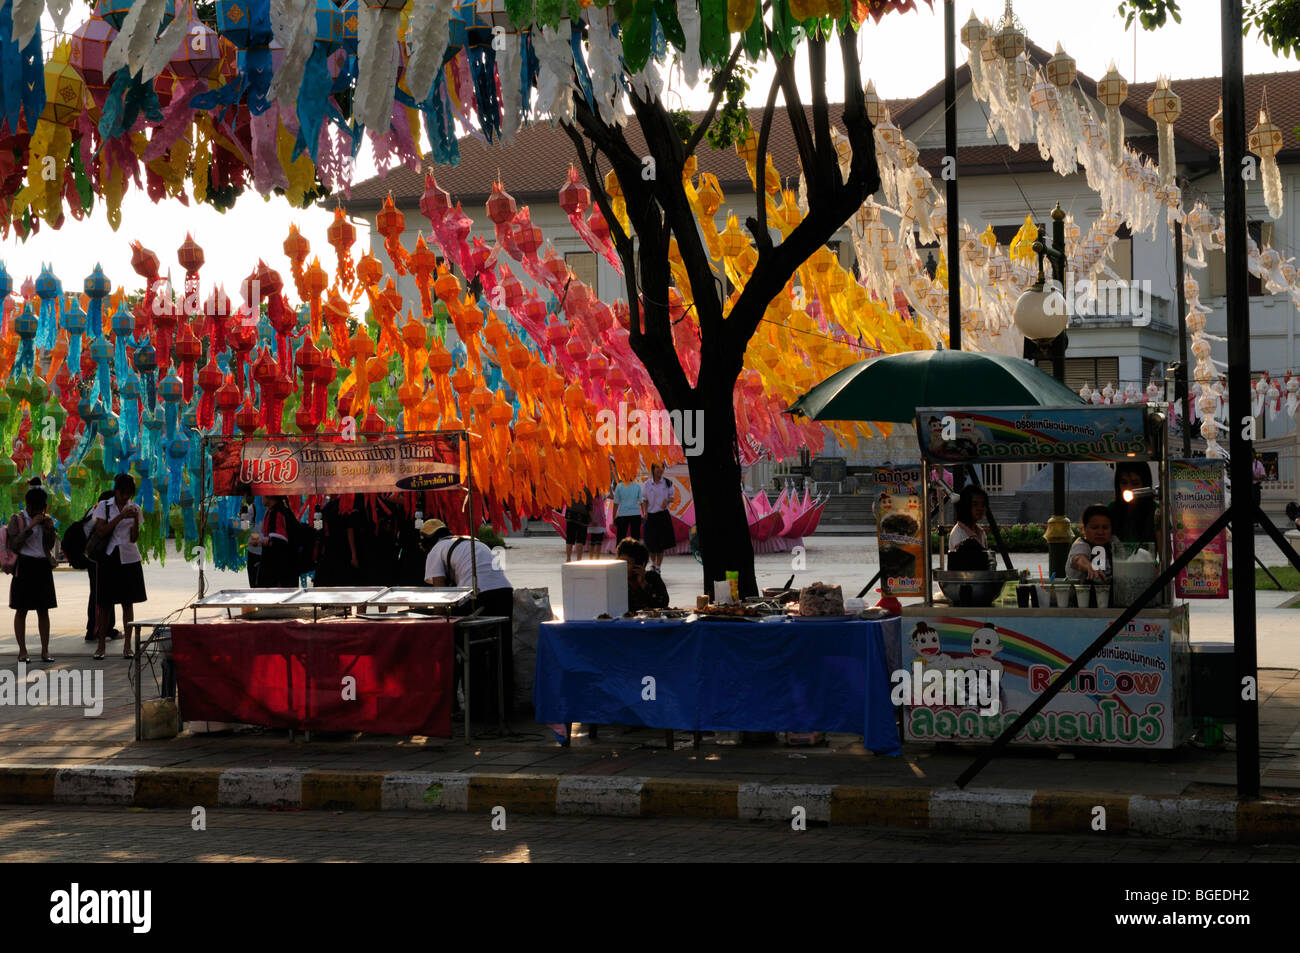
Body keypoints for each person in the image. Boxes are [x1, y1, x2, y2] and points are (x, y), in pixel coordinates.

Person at [424, 520, 516, 714]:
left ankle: (473, 710)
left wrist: (433, 626)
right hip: (504, 593)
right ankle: (503, 707)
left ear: (427, 541)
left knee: (465, 647)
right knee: (501, 649)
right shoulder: (472, 541)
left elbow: (441, 595)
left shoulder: (436, 550)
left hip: (481, 596)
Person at [91, 473, 147, 661]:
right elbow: (101, 531)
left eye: (129, 494)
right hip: (110, 556)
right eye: (123, 493)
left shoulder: (135, 508)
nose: (125, 498)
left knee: (127, 603)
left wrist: (134, 522)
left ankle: (127, 646)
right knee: (105, 604)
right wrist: (120, 517)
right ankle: (101, 646)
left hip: (130, 557)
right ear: (116, 491)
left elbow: (133, 538)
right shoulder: (104, 507)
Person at [8, 486, 57, 663]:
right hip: (25, 566)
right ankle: (22, 651)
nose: (39, 511)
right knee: (21, 609)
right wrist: (31, 525)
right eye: (35, 507)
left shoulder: (46, 520)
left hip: (42, 565)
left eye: (41, 508)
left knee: (43, 610)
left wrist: (50, 529)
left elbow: (50, 546)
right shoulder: (18, 519)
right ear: (28, 505)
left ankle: (45, 650)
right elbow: (14, 544)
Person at [84, 490, 118, 642]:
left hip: (94, 558)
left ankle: (103, 628)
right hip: (99, 559)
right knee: (100, 595)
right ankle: (96, 630)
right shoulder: (98, 514)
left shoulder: (91, 511)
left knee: (100, 593)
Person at [314, 495, 363, 587]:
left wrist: (317, 518)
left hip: (328, 550)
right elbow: (349, 530)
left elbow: (317, 529)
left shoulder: (329, 505)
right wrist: (354, 555)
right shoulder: (347, 506)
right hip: (342, 550)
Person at [1108, 462, 1157, 544]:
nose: (1129, 488)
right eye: (1124, 483)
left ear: (1145, 484)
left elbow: (1165, 551)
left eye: (1135, 483)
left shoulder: (1156, 510)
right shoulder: (1112, 509)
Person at [257, 495, 300, 588]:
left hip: (279, 572)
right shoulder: (276, 511)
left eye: (263, 495)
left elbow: (277, 544)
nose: (261, 497)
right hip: (286, 569)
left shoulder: (277, 513)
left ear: (269, 496)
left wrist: (259, 543)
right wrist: (261, 542)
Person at [617, 537, 669, 611]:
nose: (622, 567)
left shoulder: (652, 578)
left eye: (627, 563)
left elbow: (663, 604)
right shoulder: (615, 582)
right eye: (620, 562)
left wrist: (644, 584)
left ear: (641, 564)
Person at [1067, 504, 1115, 583]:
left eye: (1105, 528)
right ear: (1085, 529)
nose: (1100, 532)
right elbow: (1078, 559)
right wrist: (1090, 566)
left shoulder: (1113, 544)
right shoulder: (1080, 544)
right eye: (1095, 528)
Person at [641, 463, 674, 572]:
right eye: (657, 467)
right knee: (650, 542)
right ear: (653, 469)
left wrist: (667, 501)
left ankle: (658, 567)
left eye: (662, 467)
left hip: (662, 516)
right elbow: (644, 499)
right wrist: (644, 512)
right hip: (650, 516)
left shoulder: (667, 483)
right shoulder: (647, 484)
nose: (660, 469)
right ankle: (653, 563)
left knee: (661, 544)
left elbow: (671, 497)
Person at [948, 485, 989, 552]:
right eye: (975, 504)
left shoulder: (981, 533)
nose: (980, 508)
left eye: (983, 505)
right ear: (966, 506)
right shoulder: (958, 533)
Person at [563, 492, 591, 562]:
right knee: (580, 540)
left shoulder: (570, 487)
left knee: (569, 539)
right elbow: (589, 505)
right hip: (582, 516)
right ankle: (579, 559)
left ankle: (568, 558)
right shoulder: (587, 489)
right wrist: (592, 518)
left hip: (570, 515)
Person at [586, 490, 607, 559]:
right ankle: (592, 558)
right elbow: (589, 509)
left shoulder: (602, 494)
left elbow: (612, 496)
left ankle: (595, 558)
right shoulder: (591, 495)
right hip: (596, 520)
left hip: (600, 520)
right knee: (594, 541)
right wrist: (593, 519)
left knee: (597, 541)